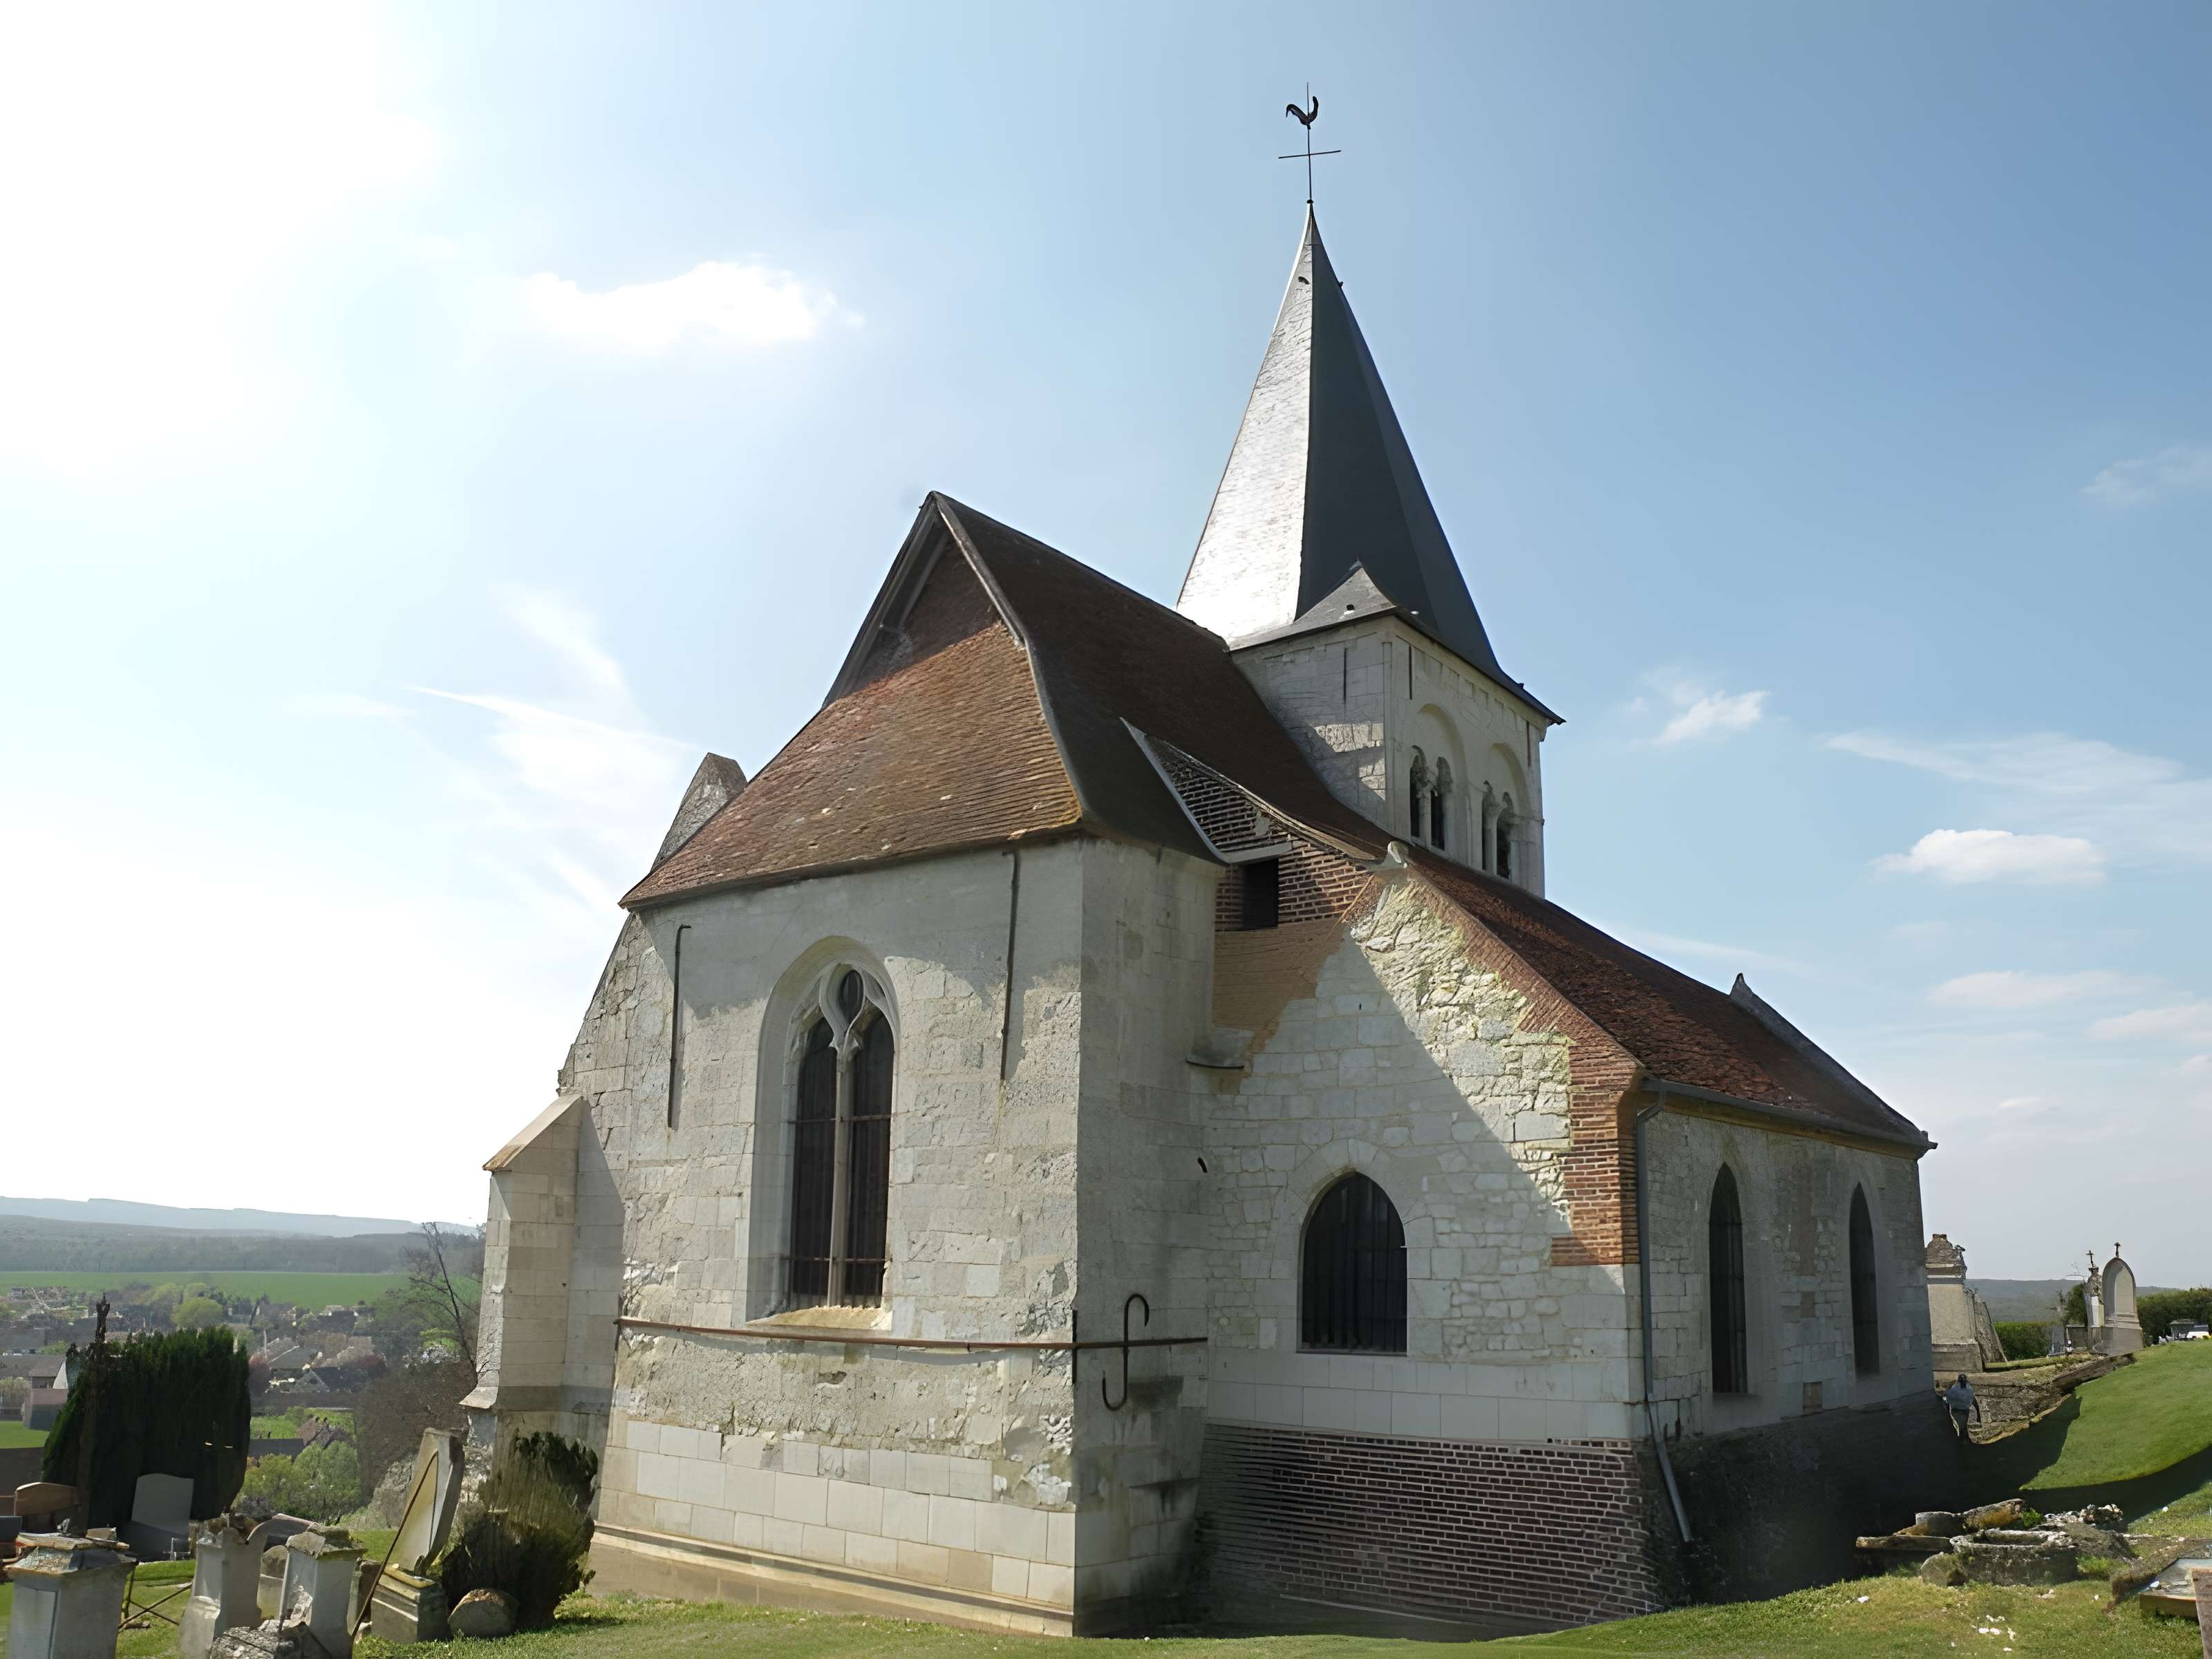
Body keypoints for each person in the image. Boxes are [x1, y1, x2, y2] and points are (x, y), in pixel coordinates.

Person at [1944, 1374, 1980, 1441]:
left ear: (1958, 1381)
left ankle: (1960, 1438)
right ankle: (1965, 1438)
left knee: (1958, 1426)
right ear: (1966, 1381)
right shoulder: (1970, 1389)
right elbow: (1975, 1403)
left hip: (1955, 1411)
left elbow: (1948, 1400)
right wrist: (1978, 1417)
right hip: (1965, 1410)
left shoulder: (1954, 1389)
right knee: (1964, 1426)